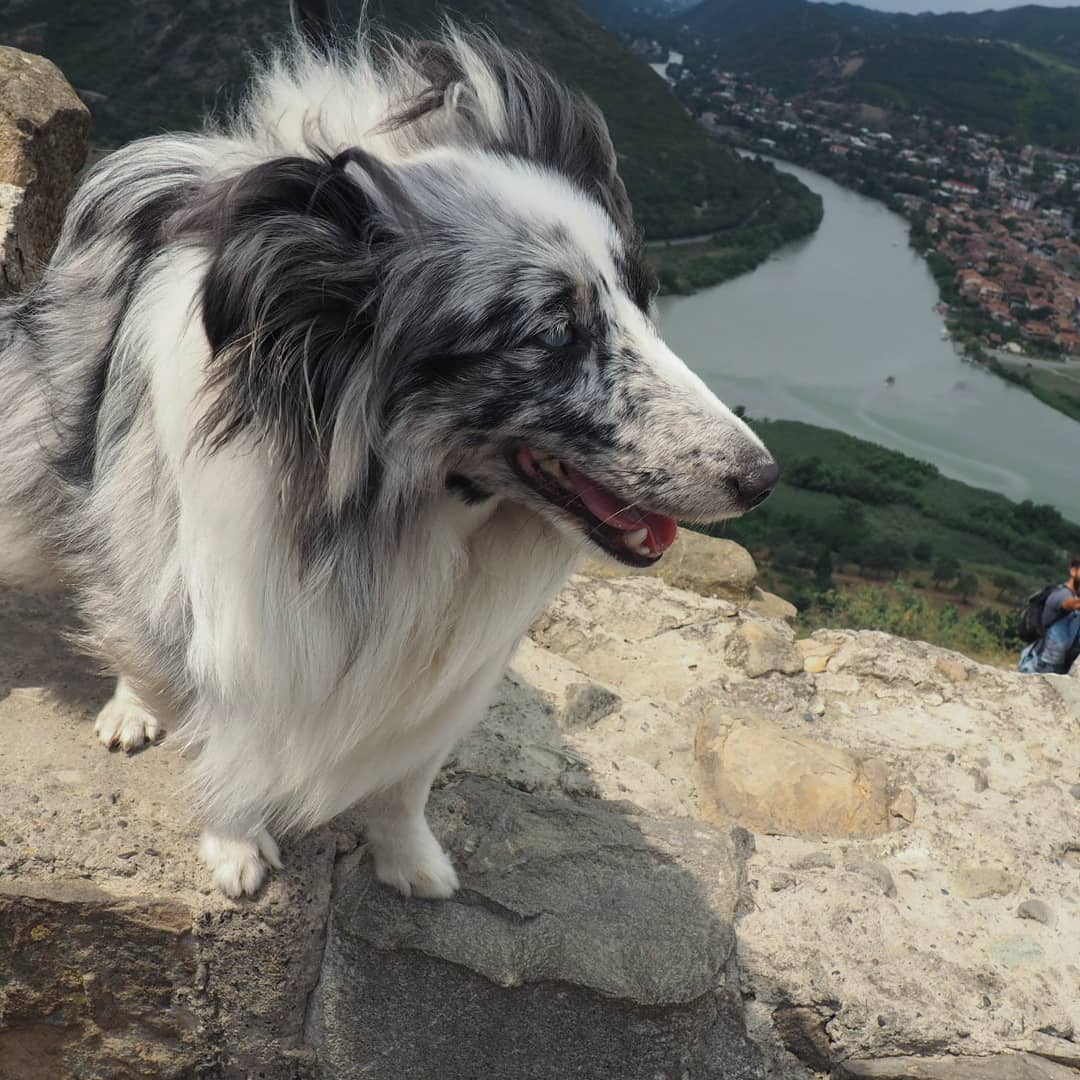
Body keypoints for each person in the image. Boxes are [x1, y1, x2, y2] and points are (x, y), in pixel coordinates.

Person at [1019, 556, 1080, 675]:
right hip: (1040, 665)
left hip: (1059, 665)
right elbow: (1069, 604)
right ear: (1073, 571)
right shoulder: (1061, 594)